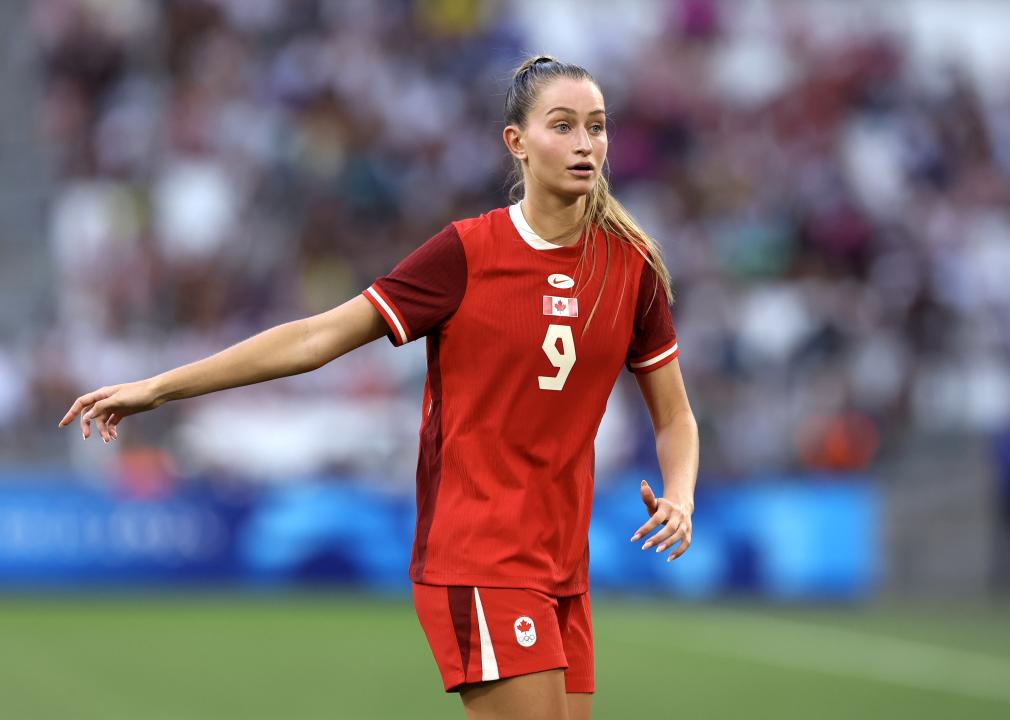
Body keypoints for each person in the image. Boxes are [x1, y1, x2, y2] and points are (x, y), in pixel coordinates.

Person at [59, 55, 699, 720]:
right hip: (479, 555)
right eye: (562, 126)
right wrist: (160, 387)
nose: (584, 143)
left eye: (596, 127)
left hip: (564, 564)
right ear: (517, 143)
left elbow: (674, 416)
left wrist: (680, 493)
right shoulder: (466, 255)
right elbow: (317, 338)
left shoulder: (631, 267)